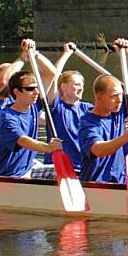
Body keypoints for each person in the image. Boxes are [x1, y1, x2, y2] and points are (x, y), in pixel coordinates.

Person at [78, 38, 128, 183]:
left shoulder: (119, 110)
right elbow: (98, 150)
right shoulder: (88, 123)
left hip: (119, 182)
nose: (120, 100)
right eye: (113, 96)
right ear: (99, 97)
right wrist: (125, 137)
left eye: (120, 95)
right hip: (94, 183)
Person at [0, 68, 62, 178]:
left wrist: (35, 54)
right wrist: (48, 148)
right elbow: (23, 141)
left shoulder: (33, 106)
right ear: (16, 92)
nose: (37, 92)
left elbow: (51, 73)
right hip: (10, 175)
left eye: (37, 88)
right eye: (30, 89)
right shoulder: (7, 118)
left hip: (29, 167)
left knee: (68, 171)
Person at [43, 43, 90, 171]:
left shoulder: (88, 109)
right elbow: (53, 77)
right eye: (76, 84)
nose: (81, 88)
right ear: (63, 86)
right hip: (58, 167)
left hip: (82, 168)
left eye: (82, 85)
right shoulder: (56, 106)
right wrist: (66, 54)